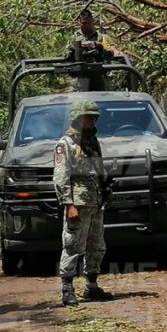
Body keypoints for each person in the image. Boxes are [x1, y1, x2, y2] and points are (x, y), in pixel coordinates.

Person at [53, 100, 114, 306]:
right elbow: (61, 176)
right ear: (78, 118)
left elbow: (99, 170)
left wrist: (106, 190)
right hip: (77, 204)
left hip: (95, 202)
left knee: (96, 245)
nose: (93, 120)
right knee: (72, 245)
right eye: (89, 117)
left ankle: (92, 286)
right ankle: (67, 288)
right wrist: (68, 204)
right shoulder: (66, 144)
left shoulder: (92, 143)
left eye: (94, 117)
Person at [65, 9, 114, 92]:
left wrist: (99, 46)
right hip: (80, 78)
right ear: (79, 22)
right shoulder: (73, 38)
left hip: (100, 77)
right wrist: (76, 47)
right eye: (84, 23)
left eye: (89, 23)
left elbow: (113, 53)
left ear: (93, 22)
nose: (87, 26)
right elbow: (66, 56)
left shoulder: (103, 38)